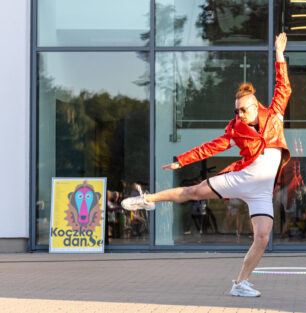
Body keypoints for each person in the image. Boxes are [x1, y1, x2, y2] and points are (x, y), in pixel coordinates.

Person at [121, 33, 291, 297]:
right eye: (235, 112)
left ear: (255, 106)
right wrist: (181, 160)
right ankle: (148, 199)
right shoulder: (236, 129)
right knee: (192, 192)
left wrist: (279, 53)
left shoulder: (275, 113)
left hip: (261, 191)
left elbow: (284, 85)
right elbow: (212, 146)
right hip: (242, 177)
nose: (238, 115)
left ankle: (239, 284)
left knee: (262, 238)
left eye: (242, 111)